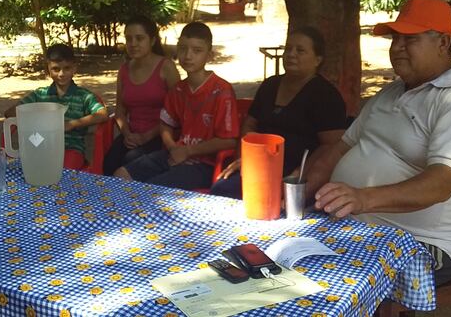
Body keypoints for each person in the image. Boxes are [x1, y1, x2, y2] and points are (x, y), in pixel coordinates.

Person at [308, 0, 451, 285]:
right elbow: (338, 150)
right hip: (355, 226)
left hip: (425, 244)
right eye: (395, 38)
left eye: (410, 39)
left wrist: (362, 198)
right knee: (277, 256)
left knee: (327, 280)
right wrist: (296, 194)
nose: (397, 48)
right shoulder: (390, 93)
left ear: (443, 43)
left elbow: (440, 184)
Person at [210, 26, 347, 199]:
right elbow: (250, 124)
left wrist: (302, 173)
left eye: (300, 50)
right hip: (256, 166)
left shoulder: (325, 95)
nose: (291, 54)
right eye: (288, 49)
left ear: (317, 59)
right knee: (220, 191)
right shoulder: (270, 85)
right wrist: (244, 158)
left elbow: (331, 146)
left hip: (295, 176)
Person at [114, 22, 239, 190]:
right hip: (174, 153)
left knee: (151, 189)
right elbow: (166, 124)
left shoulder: (222, 90)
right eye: (183, 49)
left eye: (197, 51)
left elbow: (229, 141)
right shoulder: (179, 89)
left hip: (205, 163)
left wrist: (188, 151)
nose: (188, 56)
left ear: (209, 56)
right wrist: (173, 147)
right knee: (120, 175)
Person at [4, 43, 108, 170]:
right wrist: (39, 120)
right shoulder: (39, 95)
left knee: (61, 173)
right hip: (40, 146)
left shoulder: (83, 96)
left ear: (74, 68)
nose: (61, 74)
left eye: (67, 68)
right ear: (48, 69)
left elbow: (102, 114)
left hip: (71, 148)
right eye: (56, 69)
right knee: (27, 171)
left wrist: (72, 124)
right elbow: (9, 113)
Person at [103, 15, 180, 175]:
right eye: (129, 39)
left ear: (152, 40)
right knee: (109, 163)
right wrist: (127, 134)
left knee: (130, 161)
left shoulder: (166, 67)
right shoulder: (124, 70)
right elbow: (120, 111)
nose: (133, 44)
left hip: (160, 135)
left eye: (139, 38)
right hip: (131, 135)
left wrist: (146, 136)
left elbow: (177, 112)